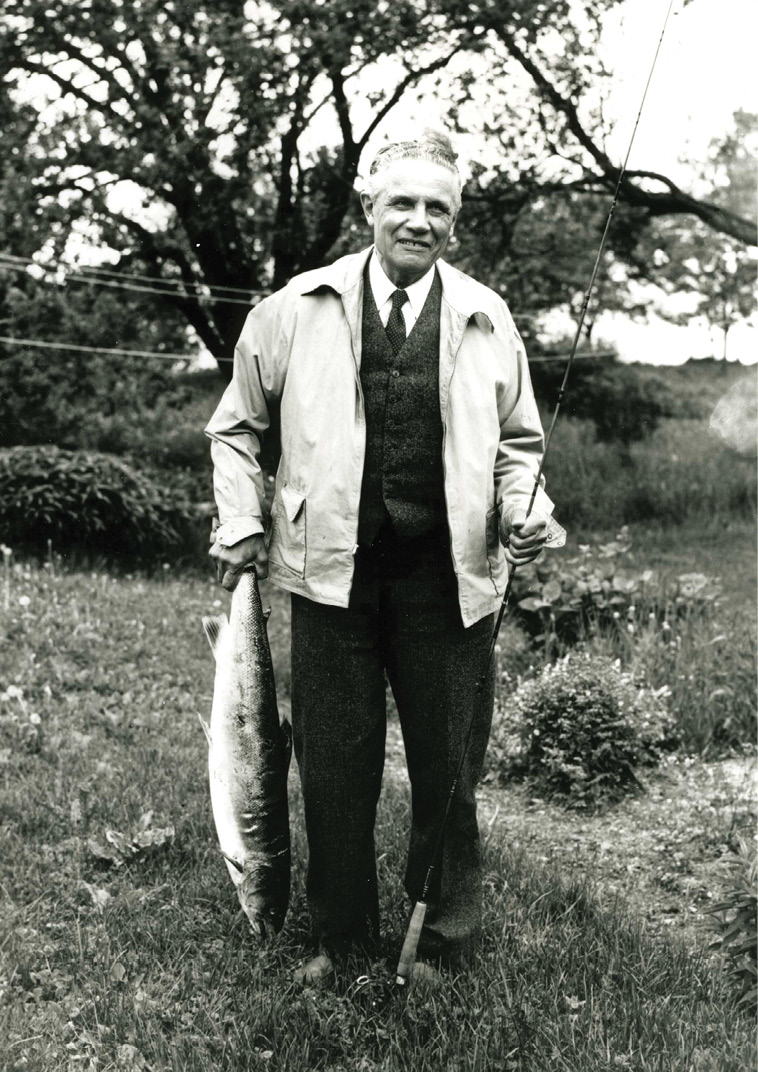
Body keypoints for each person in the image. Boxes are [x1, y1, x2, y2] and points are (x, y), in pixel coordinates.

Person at [205, 133, 555, 986]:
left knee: (449, 772)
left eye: (438, 208)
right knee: (332, 765)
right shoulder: (295, 307)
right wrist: (241, 521)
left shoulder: (485, 314)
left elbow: (519, 444)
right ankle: (341, 938)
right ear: (371, 209)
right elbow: (236, 430)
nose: (419, 220)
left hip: (451, 580)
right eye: (403, 203)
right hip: (332, 576)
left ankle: (441, 942)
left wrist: (525, 508)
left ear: (455, 225)